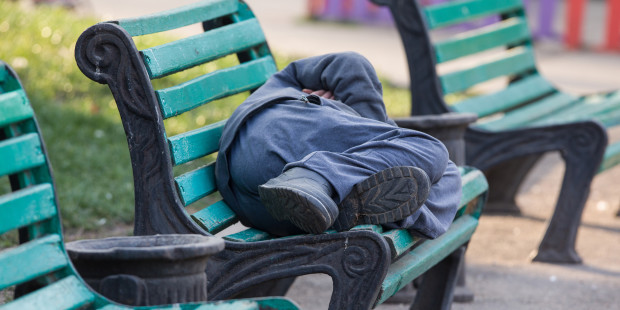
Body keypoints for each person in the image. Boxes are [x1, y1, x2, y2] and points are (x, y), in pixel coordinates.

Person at [215, 52, 461, 237]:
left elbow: (349, 64)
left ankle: (342, 198)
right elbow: (352, 65)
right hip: (285, 141)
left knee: (437, 172)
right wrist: (377, 131)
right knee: (436, 157)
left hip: (255, 200)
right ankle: (321, 180)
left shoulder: (285, 83)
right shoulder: (296, 89)